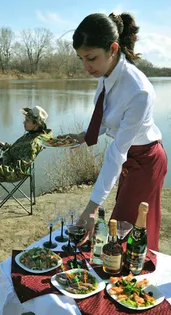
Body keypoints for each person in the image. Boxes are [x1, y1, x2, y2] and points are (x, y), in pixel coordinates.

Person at [67, 12, 167, 251]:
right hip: (131, 156)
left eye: (90, 58)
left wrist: (91, 207)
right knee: (122, 227)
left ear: (113, 49)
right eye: (81, 58)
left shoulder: (138, 90)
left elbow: (117, 152)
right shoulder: (106, 73)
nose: (85, 67)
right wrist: (83, 136)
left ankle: (134, 283)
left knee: (125, 230)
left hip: (146, 161)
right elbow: (107, 117)